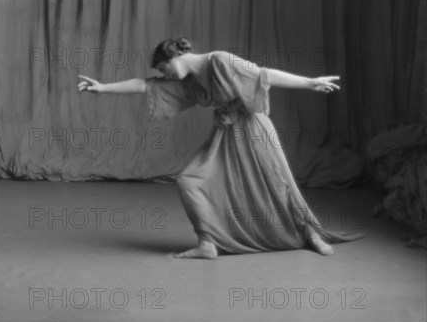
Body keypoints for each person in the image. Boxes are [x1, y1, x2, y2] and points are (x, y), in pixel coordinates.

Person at [77, 38, 364, 259]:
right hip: (226, 132)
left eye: (164, 67)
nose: (164, 73)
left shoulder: (220, 61)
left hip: (253, 127)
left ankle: (311, 234)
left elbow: (263, 75)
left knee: (279, 183)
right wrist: (102, 88)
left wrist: (309, 83)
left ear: (175, 55)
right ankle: (207, 243)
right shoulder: (189, 82)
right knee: (190, 180)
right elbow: (145, 85)